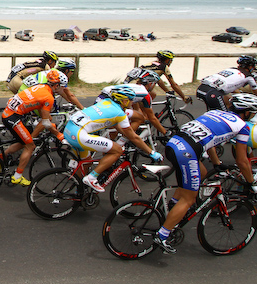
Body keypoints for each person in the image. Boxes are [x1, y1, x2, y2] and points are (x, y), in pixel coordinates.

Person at [153, 94, 257, 254]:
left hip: (174, 143)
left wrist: (217, 164)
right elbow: (242, 161)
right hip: (187, 152)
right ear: (247, 112)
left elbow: (211, 142)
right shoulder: (243, 126)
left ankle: (173, 203)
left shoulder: (214, 112)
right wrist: (251, 183)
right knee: (189, 198)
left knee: (201, 172)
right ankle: (162, 235)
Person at [63, 85, 163, 193]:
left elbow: (115, 124)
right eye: (131, 100)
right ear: (124, 101)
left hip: (69, 130)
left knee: (86, 163)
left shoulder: (106, 102)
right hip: (78, 135)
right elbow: (133, 137)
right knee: (117, 150)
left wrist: (126, 136)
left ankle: (79, 191)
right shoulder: (120, 113)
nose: (132, 103)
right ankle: (91, 178)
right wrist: (151, 152)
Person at [0, 70, 68, 186]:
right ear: (56, 86)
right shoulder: (49, 98)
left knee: (26, 141)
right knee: (30, 146)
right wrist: (58, 134)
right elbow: (45, 122)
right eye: (63, 87)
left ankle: (0, 157)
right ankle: (17, 176)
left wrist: (48, 121)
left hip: (11, 113)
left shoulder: (41, 86)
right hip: (13, 117)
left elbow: (42, 110)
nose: (64, 90)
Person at [18, 58, 84, 110]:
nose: (72, 73)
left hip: (22, 92)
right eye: (72, 71)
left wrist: (71, 102)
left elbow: (64, 94)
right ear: (67, 70)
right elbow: (70, 95)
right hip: (27, 97)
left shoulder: (52, 71)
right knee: (48, 114)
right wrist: (82, 109)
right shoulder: (59, 77)